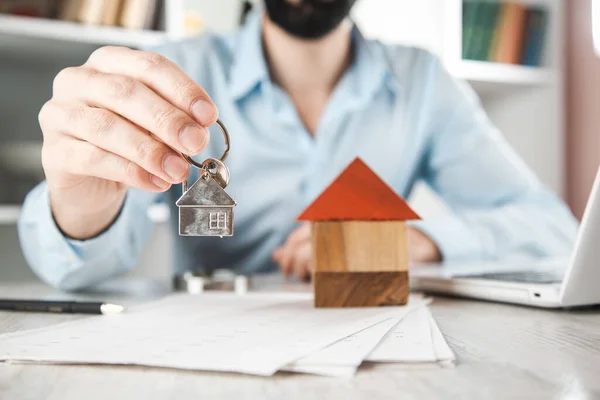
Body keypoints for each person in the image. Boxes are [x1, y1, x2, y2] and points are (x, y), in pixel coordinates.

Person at [19, 0, 578, 290]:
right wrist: (83, 211)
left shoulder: (423, 82)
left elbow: (552, 229)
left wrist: (415, 243)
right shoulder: (176, 74)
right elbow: (72, 272)